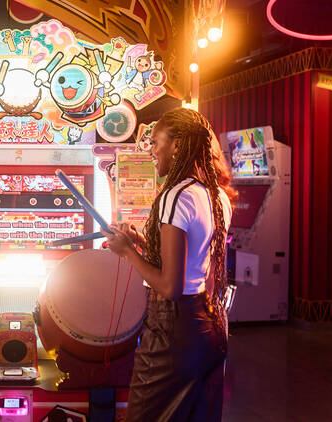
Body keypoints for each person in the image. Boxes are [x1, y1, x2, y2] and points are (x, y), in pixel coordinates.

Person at [102, 107, 237, 421]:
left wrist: (127, 253)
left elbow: (170, 287)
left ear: (177, 145)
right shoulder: (217, 196)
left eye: (156, 142)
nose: (152, 150)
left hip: (174, 329)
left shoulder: (174, 196)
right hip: (210, 324)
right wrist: (144, 244)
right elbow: (195, 262)